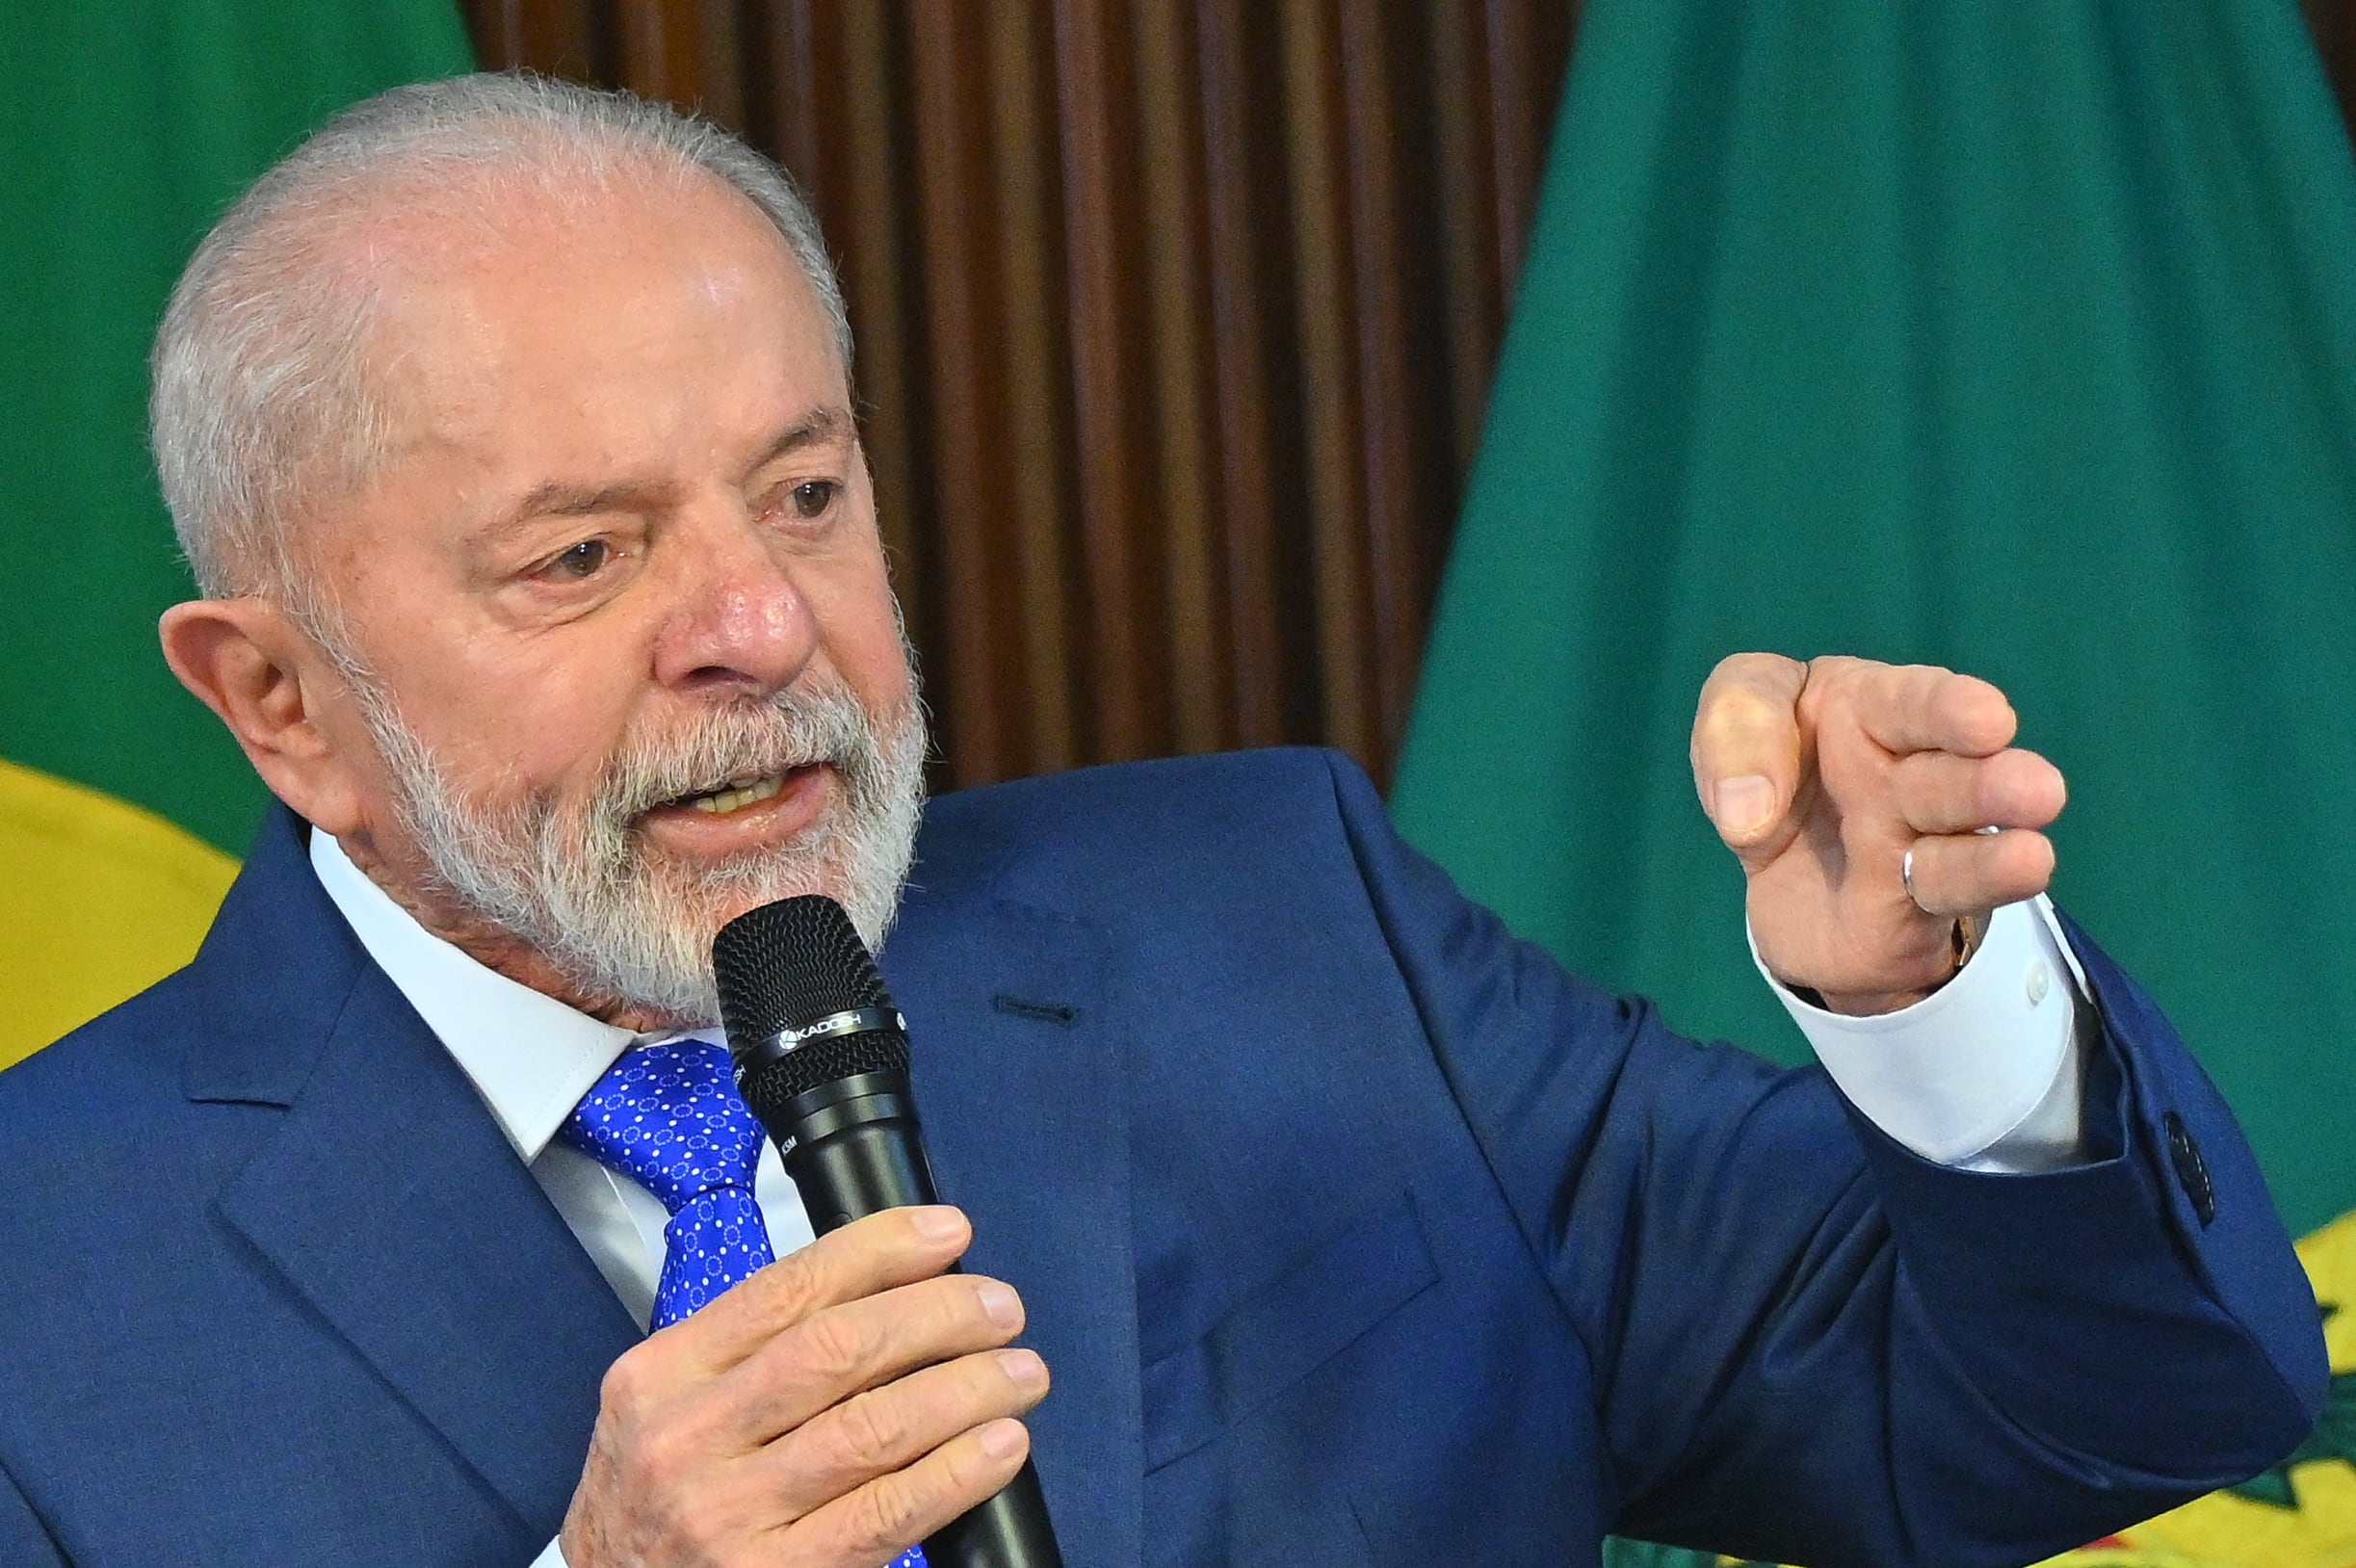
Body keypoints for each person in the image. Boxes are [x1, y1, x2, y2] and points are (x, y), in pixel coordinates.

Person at [0, 74, 2321, 1568]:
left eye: (804, 489)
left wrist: (1928, 999)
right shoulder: (43, 1291)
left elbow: (2085, 1416)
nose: (752, 621)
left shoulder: (1284, 927)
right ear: (276, 699)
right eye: (581, 556)